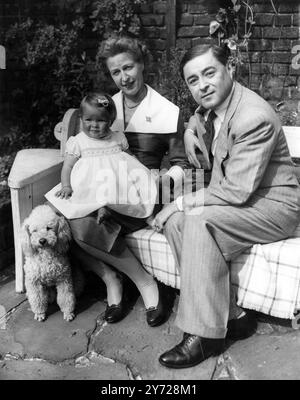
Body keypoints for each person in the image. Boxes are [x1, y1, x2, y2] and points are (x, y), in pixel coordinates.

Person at [149, 44, 300, 368]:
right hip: (245, 202)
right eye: (193, 80)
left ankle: (204, 336)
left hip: (276, 207)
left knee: (196, 220)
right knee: (179, 224)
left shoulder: (253, 117)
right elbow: (202, 114)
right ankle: (235, 316)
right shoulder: (216, 105)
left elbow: (235, 190)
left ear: (228, 69)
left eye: (209, 73)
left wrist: (179, 202)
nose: (202, 85)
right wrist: (190, 129)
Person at [65, 36, 190, 326]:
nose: (124, 77)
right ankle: (112, 278)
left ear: (142, 64)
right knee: (62, 217)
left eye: (129, 67)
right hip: (103, 188)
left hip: (144, 193)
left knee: (84, 224)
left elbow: (181, 164)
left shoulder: (167, 111)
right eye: (116, 72)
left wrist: (160, 182)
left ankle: (145, 284)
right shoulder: (104, 107)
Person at [45, 92, 157, 222]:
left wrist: (142, 172)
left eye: (100, 120)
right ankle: (99, 210)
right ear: (81, 119)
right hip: (90, 184)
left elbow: (130, 157)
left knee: (135, 190)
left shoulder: (118, 137)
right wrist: (66, 186)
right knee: (85, 196)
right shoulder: (78, 142)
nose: (94, 125)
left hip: (116, 183)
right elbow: (68, 166)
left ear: (110, 121)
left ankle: (113, 211)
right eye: (88, 120)